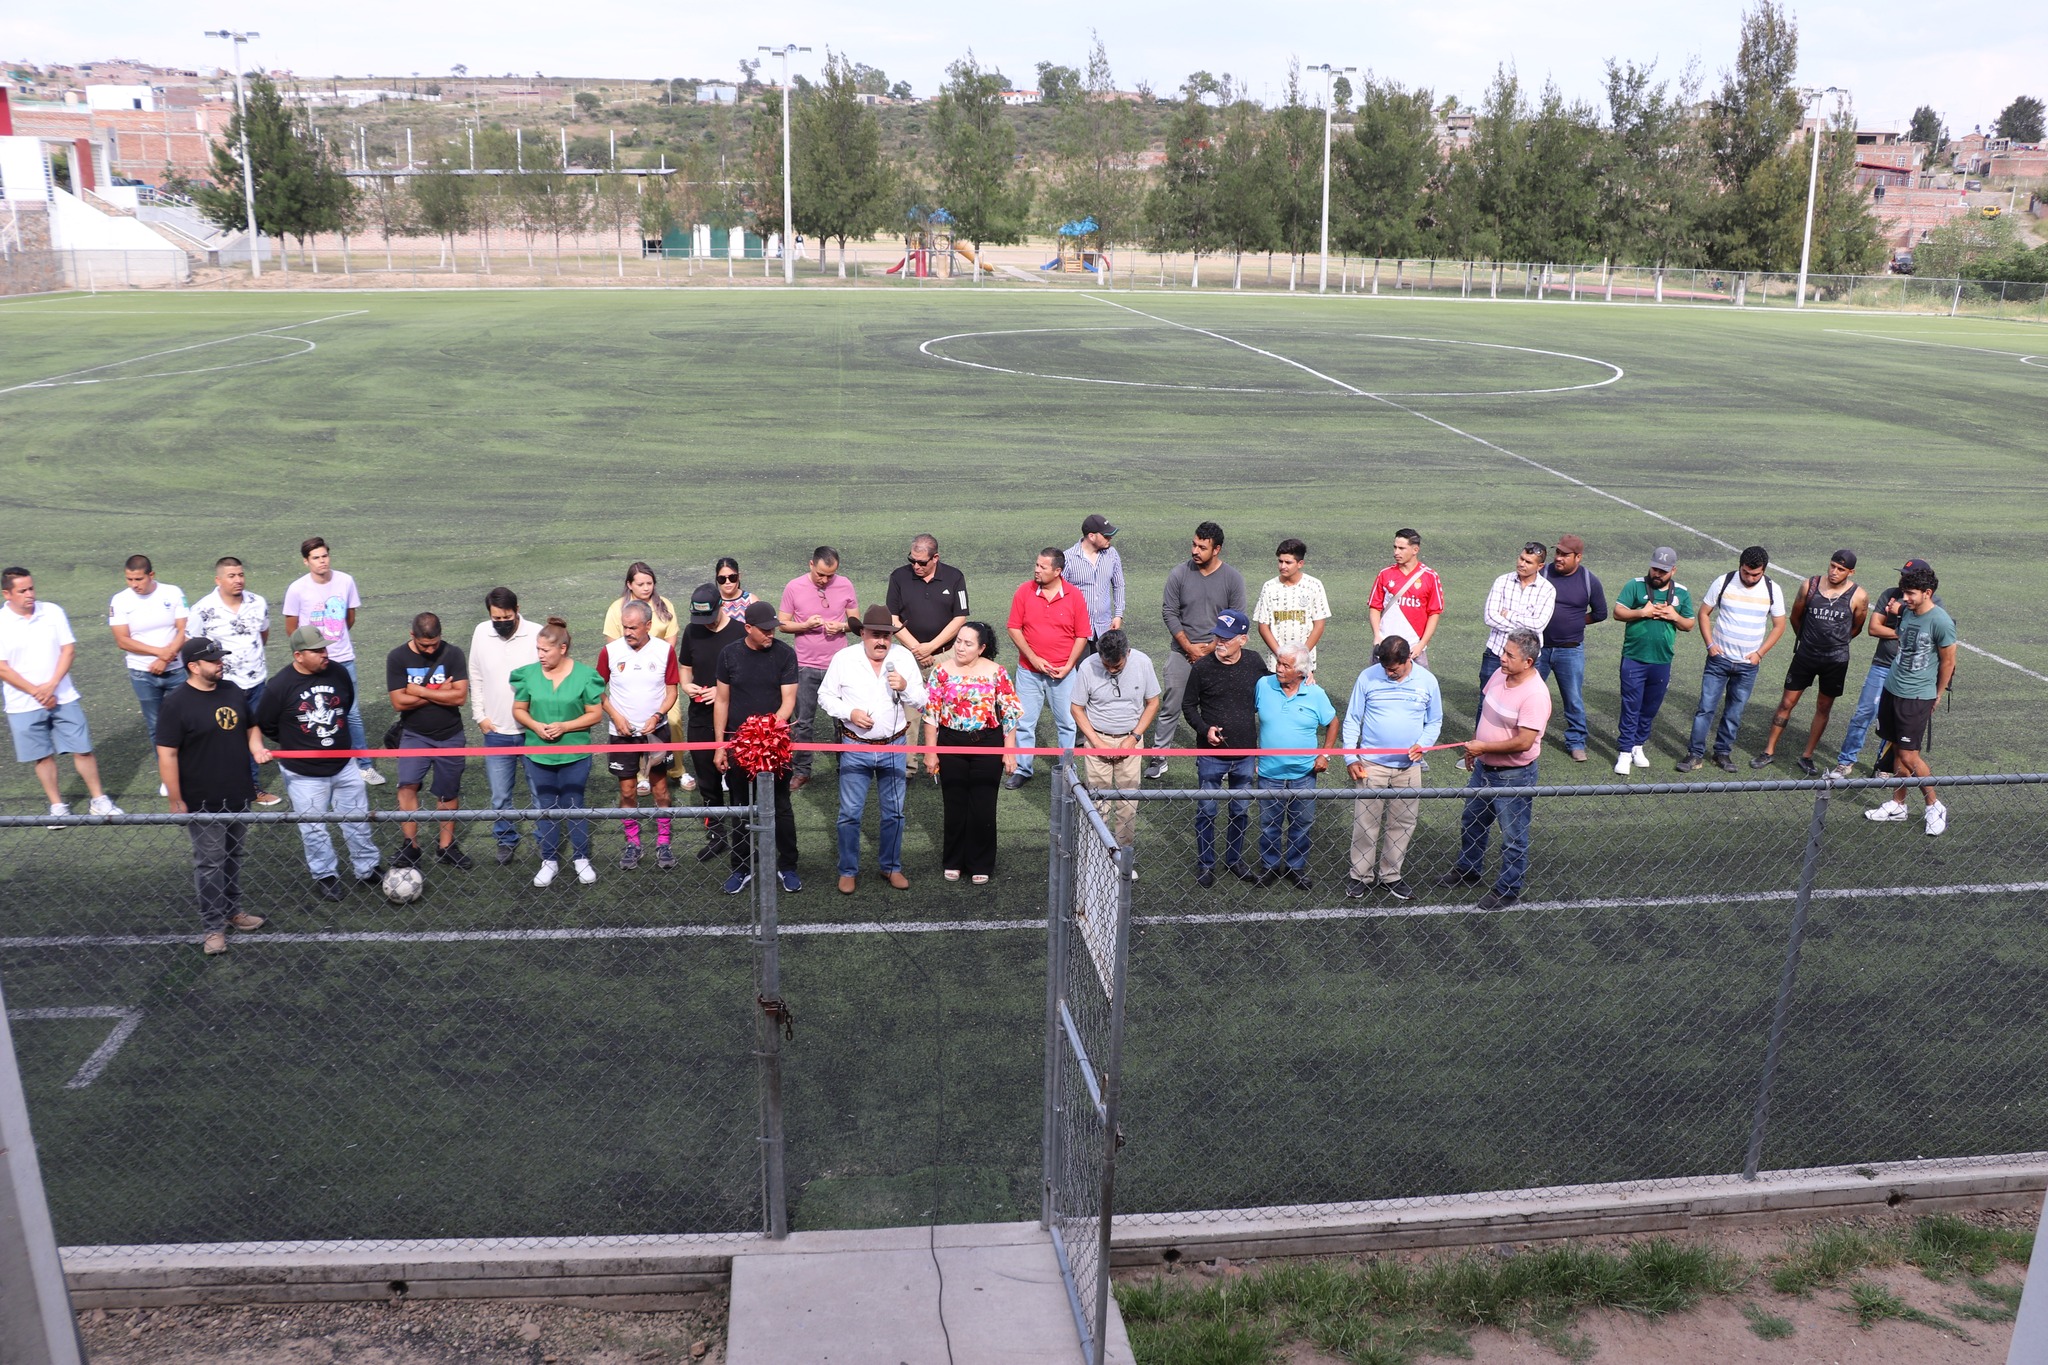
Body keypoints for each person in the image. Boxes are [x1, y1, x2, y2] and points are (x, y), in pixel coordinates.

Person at [155, 637, 270, 955]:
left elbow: (251, 726)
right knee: (208, 865)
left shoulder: (232, 690)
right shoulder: (177, 703)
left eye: (220, 658)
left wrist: (256, 746)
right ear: (193, 666)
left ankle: (233, 912)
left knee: (233, 858)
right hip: (202, 800)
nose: (221, 663)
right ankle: (212, 928)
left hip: (238, 793)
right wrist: (176, 801)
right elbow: (167, 754)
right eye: (213, 660)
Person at [257, 625, 382, 899]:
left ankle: (367, 868)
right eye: (317, 650)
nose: (325, 654)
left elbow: (344, 706)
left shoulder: (338, 672)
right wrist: (298, 741)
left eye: (325, 648)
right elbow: (266, 723)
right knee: (314, 828)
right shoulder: (279, 686)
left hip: (343, 763)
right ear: (299, 655)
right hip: (304, 774)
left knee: (357, 819)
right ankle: (325, 875)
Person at [1440, 629, 1549, 910]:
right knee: (1472, 821)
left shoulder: (1535, 695)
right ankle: (1469, 868)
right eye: (1503, 651)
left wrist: (1483, 748)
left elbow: (1525, 742)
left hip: (1514, 776)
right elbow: (1487, 713)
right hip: (1484, 768)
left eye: (1509, 655)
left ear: (1528, 662)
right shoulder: (1501, 674)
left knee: (1513, 837)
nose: (1502, 658)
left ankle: (1508, 889)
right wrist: (1476, 751)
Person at [0, 568, 122, 821]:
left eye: (31, 588)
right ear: (7, 594)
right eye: (22, 591)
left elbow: (68, 650)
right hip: (23, 703)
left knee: (83, 749)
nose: (30, 594)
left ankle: (98, 799)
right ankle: (57, 806)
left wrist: (51, 686)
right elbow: (3, 667)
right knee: (42, 756)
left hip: (63, 696)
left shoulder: (52, 612)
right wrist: (36, 692)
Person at [821, 605, 927, 893]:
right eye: (876, 635)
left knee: (894, 812)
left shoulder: (903, 658)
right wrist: (849, 713)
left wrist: (904, 686)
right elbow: (825, 696)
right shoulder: (844, 658)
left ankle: (891, 867)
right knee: (850, 813)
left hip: (895, 745)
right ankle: (847, 870)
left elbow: (922, 701)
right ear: (863, 633)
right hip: (855, 745)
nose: (882, 641)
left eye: (887, 636)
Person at [1341, 636, 1443, 902]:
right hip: (1371, 765)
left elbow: (1435, 721)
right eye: (1385, 667)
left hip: (1409, 767)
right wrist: (1351, 757)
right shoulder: (1367, 677)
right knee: (1365, 823)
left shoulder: (1427, 682)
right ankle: (1359, 876)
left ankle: (1391, 875)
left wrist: (1423, 744)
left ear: (1409, 659)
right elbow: (1352, 718)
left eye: (1393, 668)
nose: (1388, 672)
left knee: (1403, 823)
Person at [510, 617, 608, 888]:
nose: (540, 655)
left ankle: (581, 858)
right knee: (546, 806)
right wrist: (535, 725)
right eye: (538, 650)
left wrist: (565, 726)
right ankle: (549, 860)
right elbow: (519, 709)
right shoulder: (528, 674)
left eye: (545, 650)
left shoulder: (585, 675)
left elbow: (595, 714)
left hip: (575, 755)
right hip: (537, 754)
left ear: (562, 649)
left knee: (574, 804)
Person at [1753, 551, 1869, 776]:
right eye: (1832, 565)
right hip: (1805, 656)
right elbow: (1795, 617)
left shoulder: (1859, 596)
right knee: (1787, 703)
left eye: (1841, 569)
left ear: (1851, 572)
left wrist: (1833, 644)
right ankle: (1768, 751)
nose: (1834, 572)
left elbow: (1856, 627)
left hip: (1835, 660)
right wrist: (1806, 640)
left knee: (1824, 707)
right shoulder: (1810, 585)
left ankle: (1807, 756)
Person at [922, 622, 1021, 884]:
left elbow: (1010, 713)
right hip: (950, 742)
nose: (961, 647)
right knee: (954, 804)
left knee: (983, 806)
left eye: (968, 643)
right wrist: (931, 752)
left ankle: (981, 862)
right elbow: (931, 714)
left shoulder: (996, 672)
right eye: (958, 641)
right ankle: (953, 860)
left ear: (982, 648)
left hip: (988, 743)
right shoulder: (941, 671)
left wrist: (1009, 751)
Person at [715, 600, 801, 894]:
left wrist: (766, 734)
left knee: (781, 806)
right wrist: (719, 746)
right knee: (739, 807)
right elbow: (722, 702)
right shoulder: (729, 655)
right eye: (764, 630)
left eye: (773, 629)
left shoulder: (786, 654)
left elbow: (788, 700)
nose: (771, 634)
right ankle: (740, 868)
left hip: (776, 745)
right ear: (748, 628)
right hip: (739, 748)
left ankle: (788, 866)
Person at [1864, 563, 1957, 835]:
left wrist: (1937, 695)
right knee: (1895, 749)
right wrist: (1899, 607)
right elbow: (1900, 617)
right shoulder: (1907, 610)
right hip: (1892, 689)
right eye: (1905, 593)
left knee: (1908, 754)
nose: (1905, 598)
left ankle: (1934, 805)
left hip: (1916, 696)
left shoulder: (1941, 621)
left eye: (1911, 594)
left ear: (1927, 593)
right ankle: (1898, 804)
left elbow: (1948, 662)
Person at [1150, 522, 1247, 779]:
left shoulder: (1232, 578)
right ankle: (1159, 756)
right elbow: (1169, 612)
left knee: (1220, 706)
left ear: (1217, 549)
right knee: (1171, 704)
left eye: (1202, 547)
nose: (1195, 550)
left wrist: (1212, 648)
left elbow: (1236, 618)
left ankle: (1221, 757)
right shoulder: (1179, 574)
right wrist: (1189, 648)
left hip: (1219, 652)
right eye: (1194, 544)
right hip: (1182, 651)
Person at [1834, 558, 1946, 780]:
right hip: (1883, 665)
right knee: (1863, 713)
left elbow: (1929, 635)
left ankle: (1883, 767)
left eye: (1907, 575)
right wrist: (1906, 629)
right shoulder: (1890, 594)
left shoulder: (1934, 604)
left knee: (1893, 725)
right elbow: (1874, 628)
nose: (1902, 578)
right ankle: (1845, 762)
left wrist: (1901, 615)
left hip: (1910, 674)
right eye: (1902, 574)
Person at [1679, 546, 1786, 773]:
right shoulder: (1723, 582)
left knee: (1734, 711)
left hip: (1747, 666)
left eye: (1755, 574)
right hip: (1719, 660)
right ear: (1740, 566)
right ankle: (1695, 754)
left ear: (1764, 571)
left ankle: (1722, 753)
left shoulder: (1772, 589)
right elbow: (1703, 613)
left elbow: (1780, 625)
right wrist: (1710, 645)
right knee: (1705, 708)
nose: (1749, 578)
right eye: (1746, 572)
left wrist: (1759, 654)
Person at [1182, 609, 1267, 887]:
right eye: (1218, 635)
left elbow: (1272, 689)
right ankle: (1206, 863)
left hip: (1244, 754)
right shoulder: (1202, 667)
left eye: (1227, 638)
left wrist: (1304, 678)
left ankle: (1234, 860)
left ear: (1242, 639)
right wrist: (1204, 729)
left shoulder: (1254, 662)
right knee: (1206, 811)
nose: (1220, 641)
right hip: (1210, 755)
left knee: (1240, 812)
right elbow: (1188, 705)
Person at [282, 537, 378, 784]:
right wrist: (310, 655)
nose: (321, 561)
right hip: (311, 665)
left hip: (343, 659)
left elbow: (349, 618)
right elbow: (292, 627)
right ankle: (323, 761)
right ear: (306, 561)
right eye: (315, 557)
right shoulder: (297, 589)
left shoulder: (345, 581)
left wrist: (335, 641)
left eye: (324, 556)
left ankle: (363, 765)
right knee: (315, 712)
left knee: (352, 714)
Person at [599, 599, 682, 871]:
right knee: (627, 790)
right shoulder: (610, 652)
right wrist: (615, 715)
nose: (627, 632)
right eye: (624, 627)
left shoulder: (664, 651)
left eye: (633, 627)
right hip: (621, 734)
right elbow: (597, 690)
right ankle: (633, 843)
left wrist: (657, 716)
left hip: (655, 733)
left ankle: (663, 842)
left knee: (660, 788)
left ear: (648, 625)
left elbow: (672, 691)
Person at [386, 613, 472, 870]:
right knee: (407, 787)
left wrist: (420, 691)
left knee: (448, 791)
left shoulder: (453, 654)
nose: (431, 649)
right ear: (412, 636)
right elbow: (398, 702)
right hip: (414, 734)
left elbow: (459, 698)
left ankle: (446, 847)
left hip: (450, 734)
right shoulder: (397, 657)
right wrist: (439, 692)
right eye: (425, 645)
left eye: (435, 643)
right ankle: (410, 846)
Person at [190, 556, 278, 806]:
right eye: (231, 576)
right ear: (218, 580)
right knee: (224, 739)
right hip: (223, 687)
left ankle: (251, 787)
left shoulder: (257, 602)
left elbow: (263, 633)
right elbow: (193, 646)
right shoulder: (202, 609)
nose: (238, 580)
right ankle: (219, 788)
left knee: (253, 734)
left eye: (240, 574)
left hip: (256, 682)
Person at [1004, 547, 1093, 787]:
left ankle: (1068, 770)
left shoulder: (1074, 596)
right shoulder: (1024, 591)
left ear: (1057, 571)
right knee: (1025, 722)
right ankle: (1023, 768)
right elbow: (1013, 627)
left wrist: (1068, 666)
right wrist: (1033, 659)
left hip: (1063, 674)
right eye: (1036, 565)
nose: (1036, 570)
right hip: (1029, 672)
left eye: (1042, 567)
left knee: (1067, 722)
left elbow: (1082, 635)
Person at [1253, 644, 1338, 889]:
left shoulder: (1316, 694)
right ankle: (1269, 866)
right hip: (1270, 773)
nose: (1278, 669)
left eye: (1285, 666)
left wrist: (1325, 755)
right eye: (1278, 663)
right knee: (1269, 826)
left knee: (1301, 825)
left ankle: (1295, 867)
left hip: (1304, 774)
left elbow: (1332, 723)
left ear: (1300, 671)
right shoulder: (1263, 685)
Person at [1069, 629, 1161, 850]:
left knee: (1128, 804)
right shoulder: (1088, 666)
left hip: (1131, 741)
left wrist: (1134, 737)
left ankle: (1122, 857)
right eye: (1106, 665)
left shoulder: (1143, 663)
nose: (1110, 670)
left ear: (1127, 653)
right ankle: (1098, 858)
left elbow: (1153, 703)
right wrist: (1096, 742)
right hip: (1097, 739)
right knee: (1097, 803)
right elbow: (1077, 708)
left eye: (1116, 667)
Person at [468, 587, 541, 864]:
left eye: (506, 617)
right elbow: (475, 674)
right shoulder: (480, 632)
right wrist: (480, 717)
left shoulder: (535, 633)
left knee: (539, 792)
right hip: (496, 731)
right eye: (496, 618)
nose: (501, 623)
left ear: (517, 609)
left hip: (531, 731)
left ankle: (543, 839)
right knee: (500, 795)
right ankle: (505, 839)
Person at [778, 547, 860, 790]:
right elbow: (782, 624)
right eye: (821, 575)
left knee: (843, 720)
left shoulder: (845, 585)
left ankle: (846, 767)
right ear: (811, 564)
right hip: (805, 666)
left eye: (831, 575)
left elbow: (855, 623)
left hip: (838, 666)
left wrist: (842, 627)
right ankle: (802, 770)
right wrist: (804, 625)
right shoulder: (794, 587)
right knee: (803, 722)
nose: (825, 580)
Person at [602, 562, 687, 794]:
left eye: (650, 583)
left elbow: (671, 641)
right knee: (631, 730)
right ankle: (642, 775)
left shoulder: (664, 605)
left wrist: (656, 658)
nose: (646, 587)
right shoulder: (616, 608)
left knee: (674, 722)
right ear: (629, 585)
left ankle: (677, 769)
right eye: (640, 583)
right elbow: (613, 647)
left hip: (658, 676)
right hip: (627, 673)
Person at [1611, 548, 1696, 775]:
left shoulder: (1682, 593)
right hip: (1634, 658)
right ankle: (1625, 751)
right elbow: (1618, 612)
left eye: (1663, 571)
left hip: (1662, 660)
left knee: (1650, 708)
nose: (1657, 574)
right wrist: (1642, 613)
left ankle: (1638, 745)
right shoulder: (1635, 585)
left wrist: (1674, 616)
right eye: (1655, 568)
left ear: (1673, 570)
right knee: (1631, 706)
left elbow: (1689, 624)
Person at [107, 555, 188, 785]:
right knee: (156, 727)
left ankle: (190, 769)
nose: (134, 584)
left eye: (138, 579)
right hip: (142, 674)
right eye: (129, 579)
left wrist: (166, 656)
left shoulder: (172, 593)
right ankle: (168, 776)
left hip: (175, 670)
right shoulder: (120, 601)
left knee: (185, 722)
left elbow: (183, 629)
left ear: (151, 575)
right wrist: (158, 653)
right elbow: (122, 640)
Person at [678, 583, 739, 863]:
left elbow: (749, 676)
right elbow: (685, 667)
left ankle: (743, 833)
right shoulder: (692, 631)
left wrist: (721, 690)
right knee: (707, 779)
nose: (705, 625)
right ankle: (716, 835)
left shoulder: (739, 633)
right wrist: (687, 685)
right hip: (700, 717)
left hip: (734, 718)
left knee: (738, 779)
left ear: (721, 606)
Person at [1537, 535, 1607, 763]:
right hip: (1538, 649)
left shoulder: (1589, 581)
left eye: (1564, 555)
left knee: (1573, 698)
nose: (1558, 558)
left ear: (1578, 557)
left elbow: (1600, 613)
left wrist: (1576, 622)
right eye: (1557, 553)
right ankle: (1526, 738)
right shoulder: (1542, 574)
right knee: (1530, 696)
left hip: (1570, 650)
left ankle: (1576, 742)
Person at [1480, 542, 1558, 709]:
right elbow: (1490, 617)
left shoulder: (1547, 590)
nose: (1522, 564)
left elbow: (1538, 625)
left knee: (1520, 706)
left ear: (1540, 566)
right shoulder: (1502, 581)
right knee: (1486, 704)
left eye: (1528, 562)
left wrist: (1509, 614)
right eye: (1521, 558)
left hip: (1526, 661)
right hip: (1496, 654)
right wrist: (1523, 628)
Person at [886, 534, 969, 674]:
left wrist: (931, 647)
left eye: (922, 563)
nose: (916, 566)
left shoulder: (955, 577)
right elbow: (892, 619)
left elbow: (960, 617)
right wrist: (918, 649)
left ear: (935, 558)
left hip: (946, 656)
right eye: (912, 560)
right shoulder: (898, 577)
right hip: (909, 656)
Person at [1369, 529, 1446, 670]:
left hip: (1414, 649)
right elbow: (1375, 607)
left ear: (1415, 549)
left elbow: (1434, 613)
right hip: (1385, 647)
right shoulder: (1385, 574)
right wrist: (1377, 636)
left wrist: (1421, 645)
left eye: (1401, 548)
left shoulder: (1430, 576)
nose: (1396, 552)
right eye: (1395, 547)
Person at [1254, 539, 1332, 676]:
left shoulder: (1314, 586)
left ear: (1300, 564)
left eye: (1288, 562)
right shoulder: (1269, 587)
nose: (1283, 566)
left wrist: (1301, 656)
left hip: (1304, 663)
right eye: (1280, 561)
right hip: (1276, 662)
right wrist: (1281, 655)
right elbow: (1263, 626)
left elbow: (1319, 625)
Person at [1064, 514, 1125, 646]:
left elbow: (1119, 585)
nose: (1110, 538)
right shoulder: (1068, 558)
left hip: (1105, 629)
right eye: (1106, 536)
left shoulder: (1112, 554)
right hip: (1077, 631)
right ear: (1091, 536)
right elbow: (1059, 592)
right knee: (1081, 667)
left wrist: (1118, 615)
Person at [713, 557, 760, 626]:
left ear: (739, 576)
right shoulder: (712, 601)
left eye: (732, 577)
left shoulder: (752, 600)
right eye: (722, 579)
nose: (727, 582)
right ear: (717, 578)